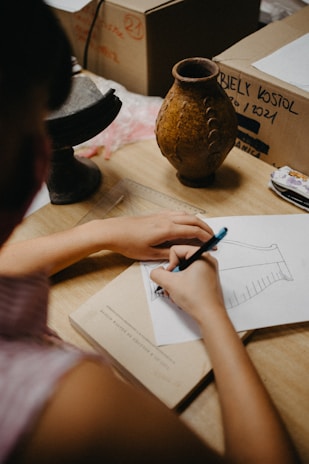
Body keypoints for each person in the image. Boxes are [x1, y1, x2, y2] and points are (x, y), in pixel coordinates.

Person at [0, 2, 299, 463]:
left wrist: (101, 232)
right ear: (38, 161)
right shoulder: (75, 410)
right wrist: (213, 314)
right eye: (36, 125)